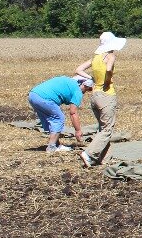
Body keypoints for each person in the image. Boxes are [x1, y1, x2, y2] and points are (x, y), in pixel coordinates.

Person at [74, 31, 126, 167]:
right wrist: (107, 81)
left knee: (102, 129)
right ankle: (89, 154)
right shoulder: (110, 56)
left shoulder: (96, 58)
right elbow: (109, 69)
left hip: (94, 96)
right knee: (107, 129)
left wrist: (92, 78)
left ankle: (104, 159)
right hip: (106, 95)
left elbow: (78, 69)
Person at [27, 75, 93, 153]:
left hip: (33, 95)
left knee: (51, 118)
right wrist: (78, 131)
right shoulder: (77, 91)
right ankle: (51, 147)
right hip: (44, 98)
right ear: (85, 85)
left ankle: (56, 144)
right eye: (87, 89)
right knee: (58, 118)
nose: (85, 92)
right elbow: (73, 112)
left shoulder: (68, 81)